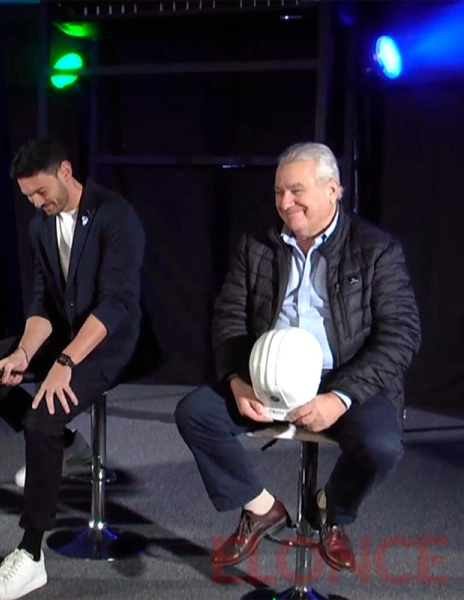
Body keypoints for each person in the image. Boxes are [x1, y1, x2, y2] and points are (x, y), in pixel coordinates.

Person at [174, 142, 421, 573]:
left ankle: (331, 509)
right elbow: (228, 318)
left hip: (346, 378)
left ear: (332, 189)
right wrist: (236, 380)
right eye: (278, 192)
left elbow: (401, 335)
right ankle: (260, 508)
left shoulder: (376, 249)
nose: (285, 203)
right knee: (195, 413)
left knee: (381, 446)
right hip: (265, 378)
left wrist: (340, 397)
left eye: (296, 191)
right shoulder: (257, 244)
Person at [0, 138, 145, 600]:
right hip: (64, 334)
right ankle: (68, 447)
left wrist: (65, 362)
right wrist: (24, 355)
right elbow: (42, 302)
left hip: (110, 341)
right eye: (28, 197)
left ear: (65, 170)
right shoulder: (41, 225)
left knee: (40, 422)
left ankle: (31, 553)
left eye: (41, 192)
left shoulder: (116, 216)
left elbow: (116, 304)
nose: (37, 203)